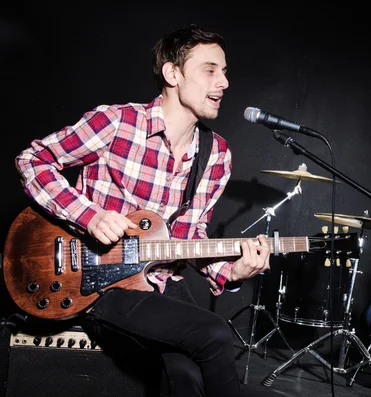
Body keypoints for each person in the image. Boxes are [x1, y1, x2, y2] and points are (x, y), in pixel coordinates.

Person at [14, 24, 271, 397]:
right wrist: (89, 215)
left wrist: (234, 270)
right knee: (215, 332)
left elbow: (189, 236)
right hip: (99, 283)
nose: (224, 83)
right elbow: (32, 160)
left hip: (161, 284)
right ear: (172, 74)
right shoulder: (116, 123)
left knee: (183, 374)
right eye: (210, 69)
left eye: (225, 71)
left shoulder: (216, 155)